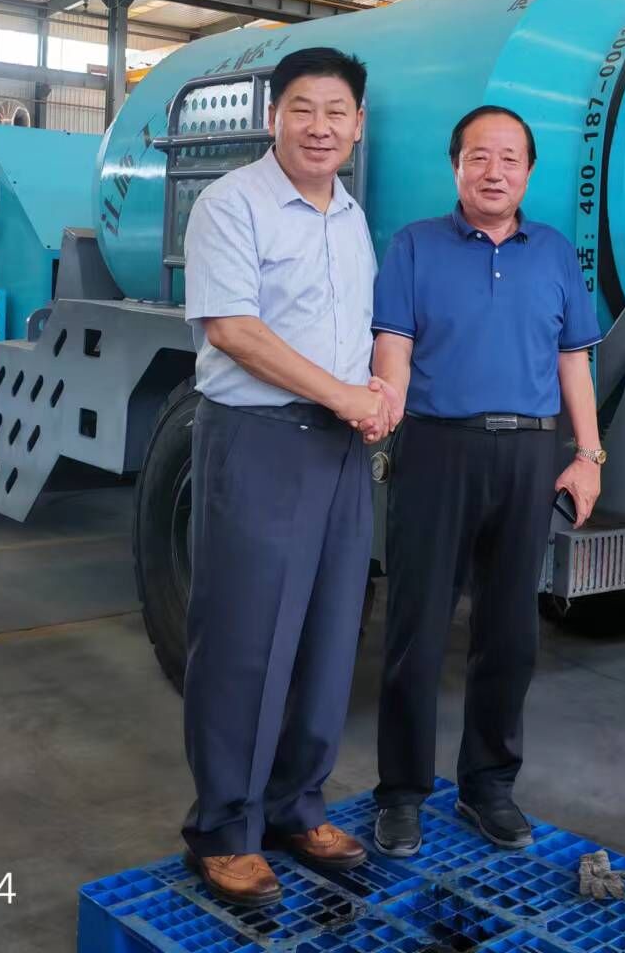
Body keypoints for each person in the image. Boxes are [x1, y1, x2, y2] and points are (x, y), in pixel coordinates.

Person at [180, 46, 393, 907]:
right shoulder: (231, 204)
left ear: (358, 125)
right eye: (302, 108)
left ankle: (296, 807)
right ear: (273, 116)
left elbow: (358, 327)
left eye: (336, 111)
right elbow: (233, 330)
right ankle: (223, 830)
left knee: (329, 633)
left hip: (340, 449)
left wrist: (375, 394)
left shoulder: (351, 215)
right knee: (245, 641)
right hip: (260, 440)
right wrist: (345, 395)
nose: (319, 126)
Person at [367, 104, 606, 856]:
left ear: (529, 172)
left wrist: (589, 456)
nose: (493, 171)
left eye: (509, 158)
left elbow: (574, 360)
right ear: (456, 167)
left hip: (529, 454)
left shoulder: (554, 253)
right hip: (436, 448)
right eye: (478, 157)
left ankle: (489, 786)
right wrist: (385, 416)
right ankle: (402, 793)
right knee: (416, 628)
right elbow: (393, 347)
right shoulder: (414, 246)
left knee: (509, 632)